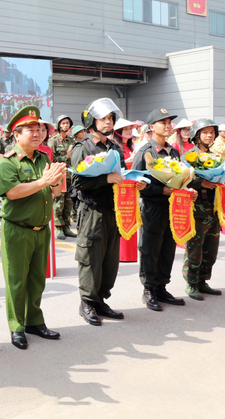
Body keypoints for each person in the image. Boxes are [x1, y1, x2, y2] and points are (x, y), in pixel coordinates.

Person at [0, 105, 66, 350]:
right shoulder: (8, 162)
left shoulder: (44, 158)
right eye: (31, 130)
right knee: (16, 281)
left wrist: (56, 181)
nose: (37, 134)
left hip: (41, 229)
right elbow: (13, 193)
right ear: (16, 134)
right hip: (18, 229)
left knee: (37, 280)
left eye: (40, 129)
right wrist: (43, 181)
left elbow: (54, 192)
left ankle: (34, 321)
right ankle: (16, 326)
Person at [73, 100, 147, 327]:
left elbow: (120, 175)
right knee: (91, 258)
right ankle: (87, 302)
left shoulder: (114, 147)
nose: (108, 122)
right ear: (91, 121)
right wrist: (104, 178)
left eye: (111, 119)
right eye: (103, 118)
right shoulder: (82, 147)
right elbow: (76, 180)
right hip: (92, 211)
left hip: (112, 211)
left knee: (109, 259)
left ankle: (101, 300)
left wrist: (134, 182)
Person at [132, 108, 197, 311]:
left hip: (173, 207)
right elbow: (137, 182)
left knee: (168, 247)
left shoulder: (174, 151)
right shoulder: (145, 152)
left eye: (170, 122)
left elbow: (181, 178)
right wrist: (164, 190)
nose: (169, 126)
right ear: (152, 128)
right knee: (150, 248)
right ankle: (149, 289)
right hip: (152, 207)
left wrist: (188, 190)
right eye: (163, 122)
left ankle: (162, 286)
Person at [182, 119, 222, 300]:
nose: (209, 135)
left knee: (211, 248)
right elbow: (180, 180)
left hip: (213, 208)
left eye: (212, 132)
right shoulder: (188, 156)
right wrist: (201, 182)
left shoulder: (216, 156)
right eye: (205, 132)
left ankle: (203, 280)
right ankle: (191, 282)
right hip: (196, 210)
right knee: (195, 248)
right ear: (196, 135)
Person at [113, 118, 140, 263]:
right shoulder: (114, 147)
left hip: (132, 187)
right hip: (121, 187)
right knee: (122, 217)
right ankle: (121, 254)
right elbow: (118, 165)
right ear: (119, 132)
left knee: (132, 217)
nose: (129, 131)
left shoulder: (132, 146)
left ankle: (130, 254)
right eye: (126, 129)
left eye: (130, 129)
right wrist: (132, 159)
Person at [49, 115, 76, 240]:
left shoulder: (72, 142)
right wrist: (67, 156)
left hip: (71, 176)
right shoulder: (53, 141)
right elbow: (51, 160)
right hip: (60, 176)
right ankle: (58, 227)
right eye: (63, 123)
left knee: (69, 202)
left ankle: (66, 226)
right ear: (59, 125)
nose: (66, 125)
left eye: (67, 123)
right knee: (59, 202)